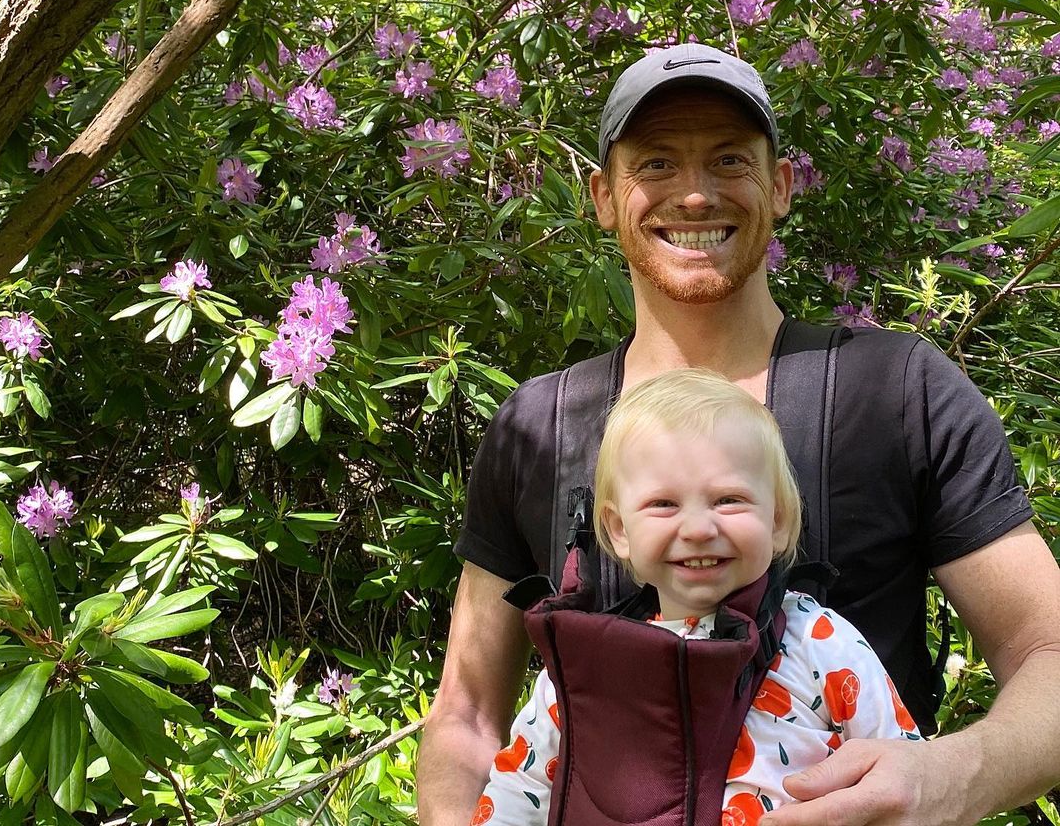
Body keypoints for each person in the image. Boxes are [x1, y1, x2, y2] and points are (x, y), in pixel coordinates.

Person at [417, 43, 1060, 826]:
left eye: (728, 159)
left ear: (781, 185)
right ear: (603, 196)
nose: (693, 195)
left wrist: (950, 777)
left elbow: (1047, 652)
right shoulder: (538, 426)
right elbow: (470, 716)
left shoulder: (898, 392)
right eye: (655, 163)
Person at [473, 368, 921, 826]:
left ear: (780, 520)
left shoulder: (819, 642)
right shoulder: (585, 663)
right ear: (619, 530)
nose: (699, 529)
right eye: (664, 504)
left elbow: (899, 773)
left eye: (728, 500)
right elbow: (519, 788)